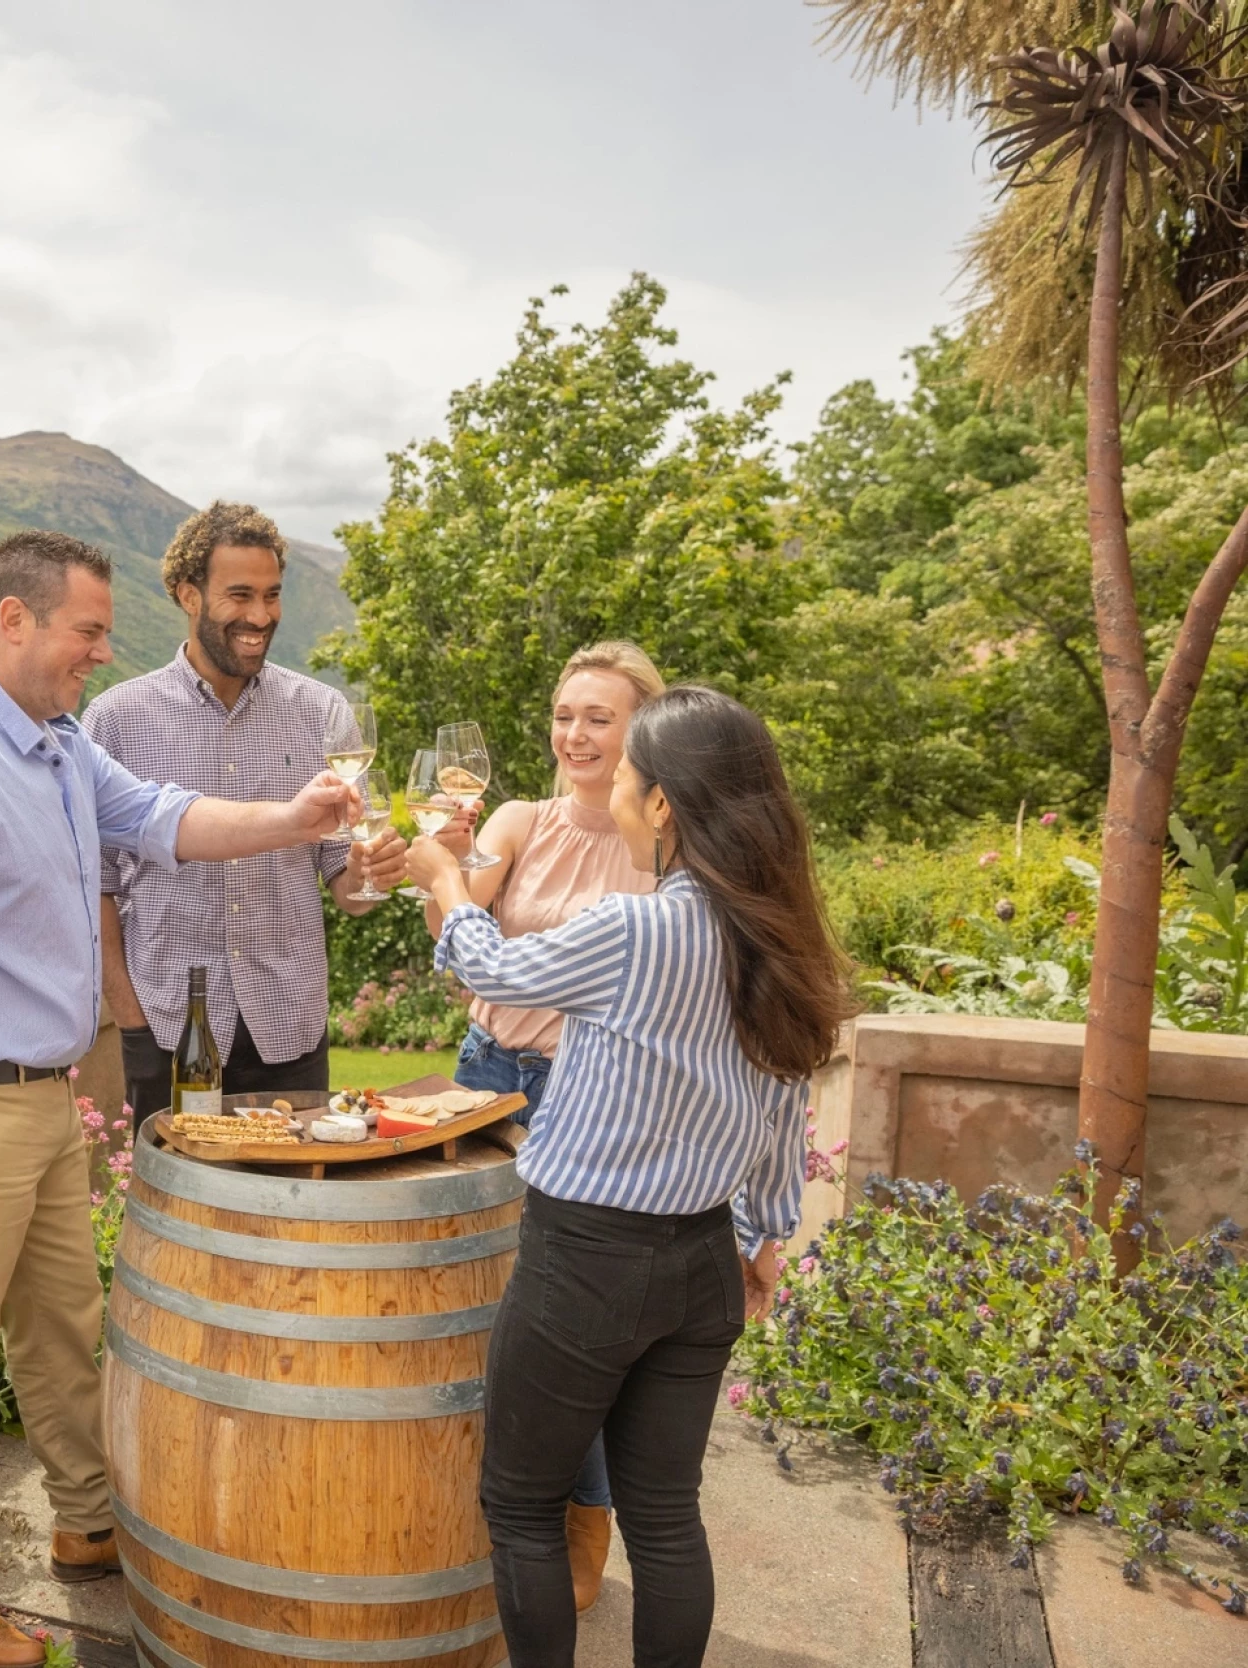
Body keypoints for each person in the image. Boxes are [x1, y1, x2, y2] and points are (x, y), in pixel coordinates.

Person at [0, 529, 364, 1668]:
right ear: (16, 620)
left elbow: (168, 819)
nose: (99, 651)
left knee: (62, 1332)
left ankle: (86, 1527)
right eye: (84, 630)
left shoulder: (58, 746)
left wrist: (296, 817)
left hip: (34, 1099)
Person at [400, 685, 854, 1668]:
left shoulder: (634, 929)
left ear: (661, 806)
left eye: (630, 777)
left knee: (520, 1504)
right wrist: (765, 1234)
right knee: (665, 1518)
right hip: (701, 1262)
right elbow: (783, 1104)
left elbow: (496, 972)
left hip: (584, 1261)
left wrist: (441, 873)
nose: (608, 788)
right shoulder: (774, 936)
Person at [424, 639, 666, 1610]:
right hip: (486, 1077)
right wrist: (442, 855)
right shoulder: (519, 820)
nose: (573, 734)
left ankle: (585, 1520)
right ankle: (478, 1501)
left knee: (577, 1323)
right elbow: (454, 934)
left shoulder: (660, 844)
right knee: (469, 1289)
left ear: (638, 730)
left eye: (596, 717)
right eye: (564, 715)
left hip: (585, 1094)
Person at [89, 501, 408, 1119]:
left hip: (288, 1027)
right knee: (175, 1211)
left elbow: (348, 887)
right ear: (189, 594)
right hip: (165, 1026)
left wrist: (373, 874)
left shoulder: (323, 712)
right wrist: (131, 1018)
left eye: (272, 595)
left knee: (292, 1208)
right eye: (240, 595)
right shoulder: (116, 721)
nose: (260, 616)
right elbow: (95, 887)